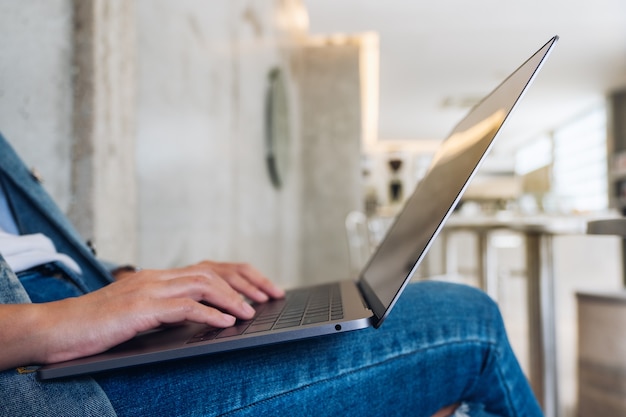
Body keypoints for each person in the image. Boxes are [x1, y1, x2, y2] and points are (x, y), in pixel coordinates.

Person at [0, 133, 543, 417]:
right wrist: (55, 323)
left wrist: (129, 284)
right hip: (48, 383)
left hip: (79, 324)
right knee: (466, 325)